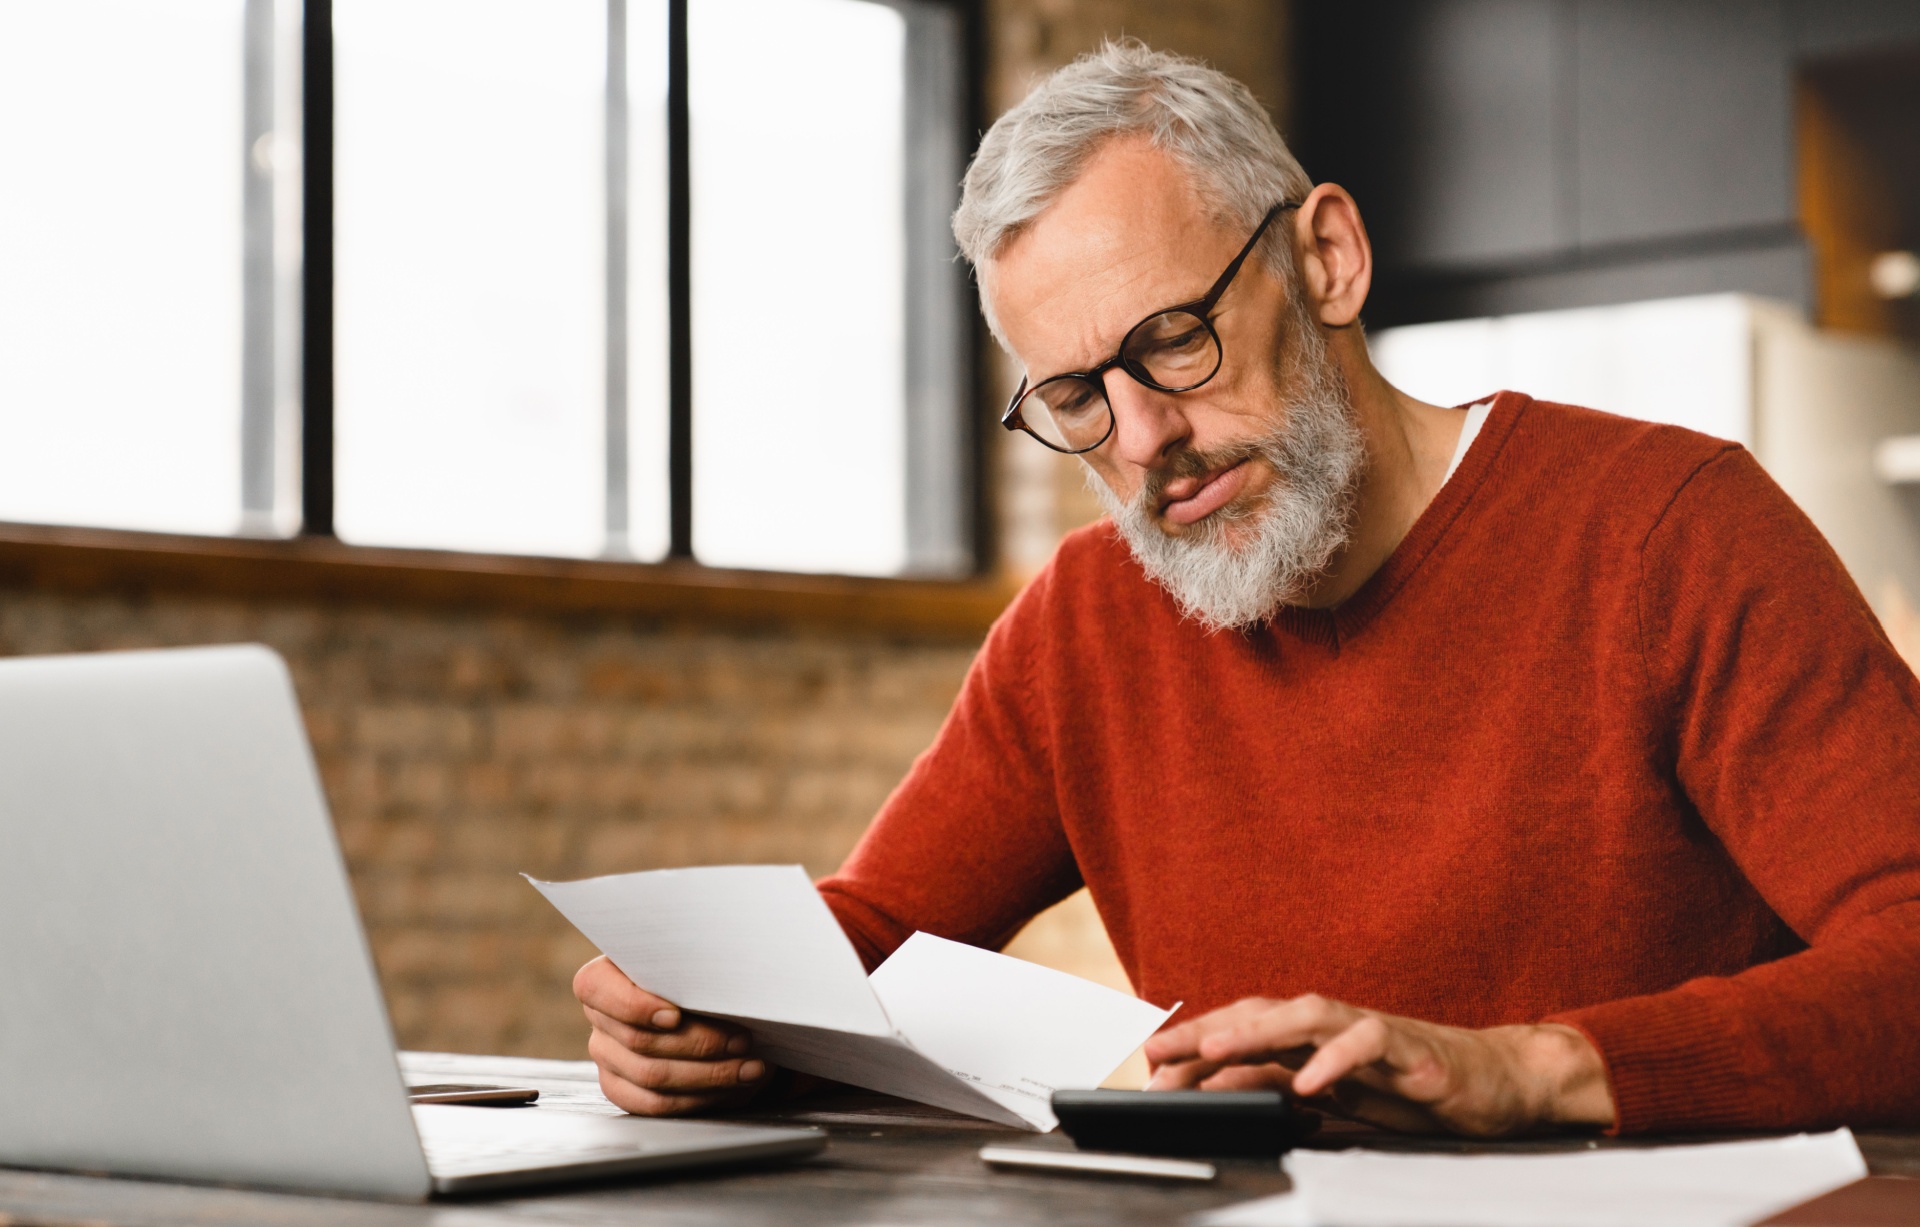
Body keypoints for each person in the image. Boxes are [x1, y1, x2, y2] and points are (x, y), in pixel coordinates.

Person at [573, 42, 1920, 1136]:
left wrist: (1532, 1069)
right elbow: (869, 935)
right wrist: (700, 1009)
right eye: (1075, 398)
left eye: (1175, 342)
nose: (1145, 439)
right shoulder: (1086, 622)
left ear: (1325, 259)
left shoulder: (1668, 531)